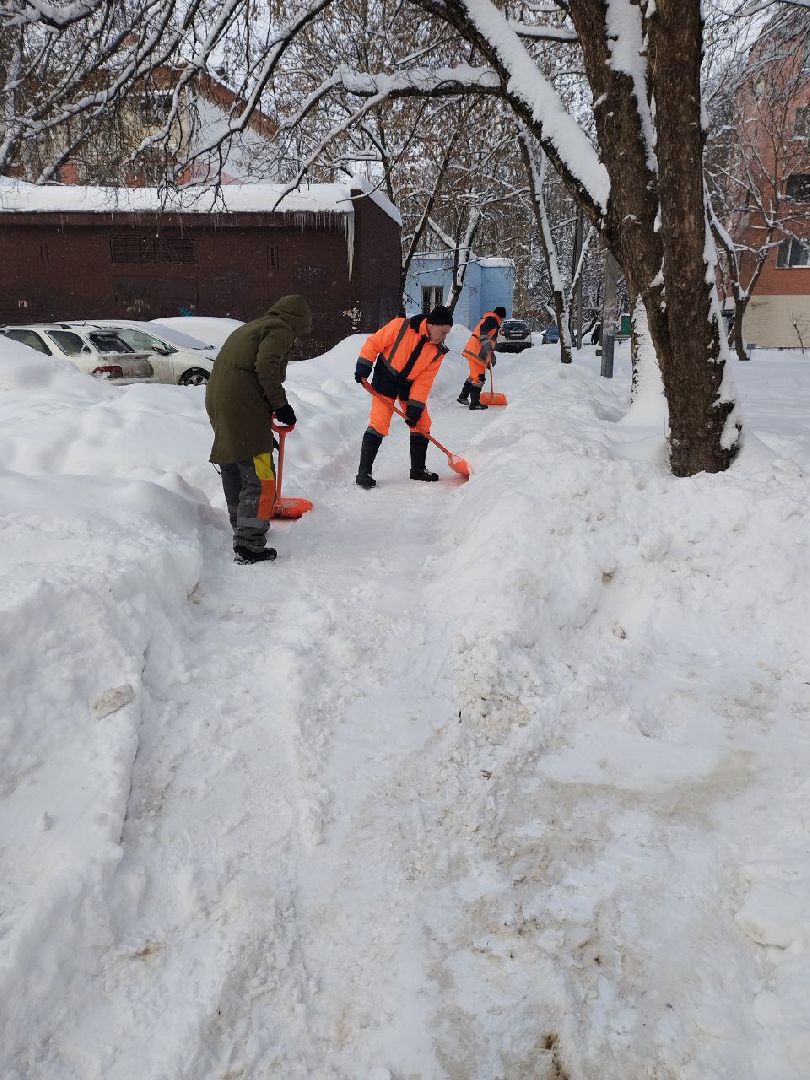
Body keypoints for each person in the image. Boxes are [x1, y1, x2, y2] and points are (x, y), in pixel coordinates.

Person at [205, 294, 312, 564]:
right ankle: (249, 542)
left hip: (221, 400)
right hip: (243, 403)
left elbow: (248, 373)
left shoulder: (253, 326)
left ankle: (242, 524)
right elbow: (266, 367)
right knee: (261, 473)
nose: (296, 338)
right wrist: (281, 405)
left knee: (235, 461)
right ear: (298, 322)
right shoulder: (280, 329)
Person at [354, 306, 454, 489]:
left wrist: (415, 407)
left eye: (447, 333)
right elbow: (373, 343)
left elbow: (424, 381)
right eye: (443, 332)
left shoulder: (438, 351)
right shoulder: (401, 326)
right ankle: (364, 472)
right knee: (380, 421)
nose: (444, 337)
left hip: (410, 384)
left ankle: (418, 469)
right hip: (386, 376)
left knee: (422, 422)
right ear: (431, 324)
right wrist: (363, 366)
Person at [457, 305, 506, 410]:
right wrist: (488, 349)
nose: (502, 321)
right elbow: (483, 334)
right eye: (502, 319)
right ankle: (475, 403)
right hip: (476, 352)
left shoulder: (490, 319)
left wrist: (491, 355)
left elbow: (487, 339)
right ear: (501, 317)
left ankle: (463, 396)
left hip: (474, 350)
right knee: (479, 378)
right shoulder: (492, 320)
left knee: (473, 376)